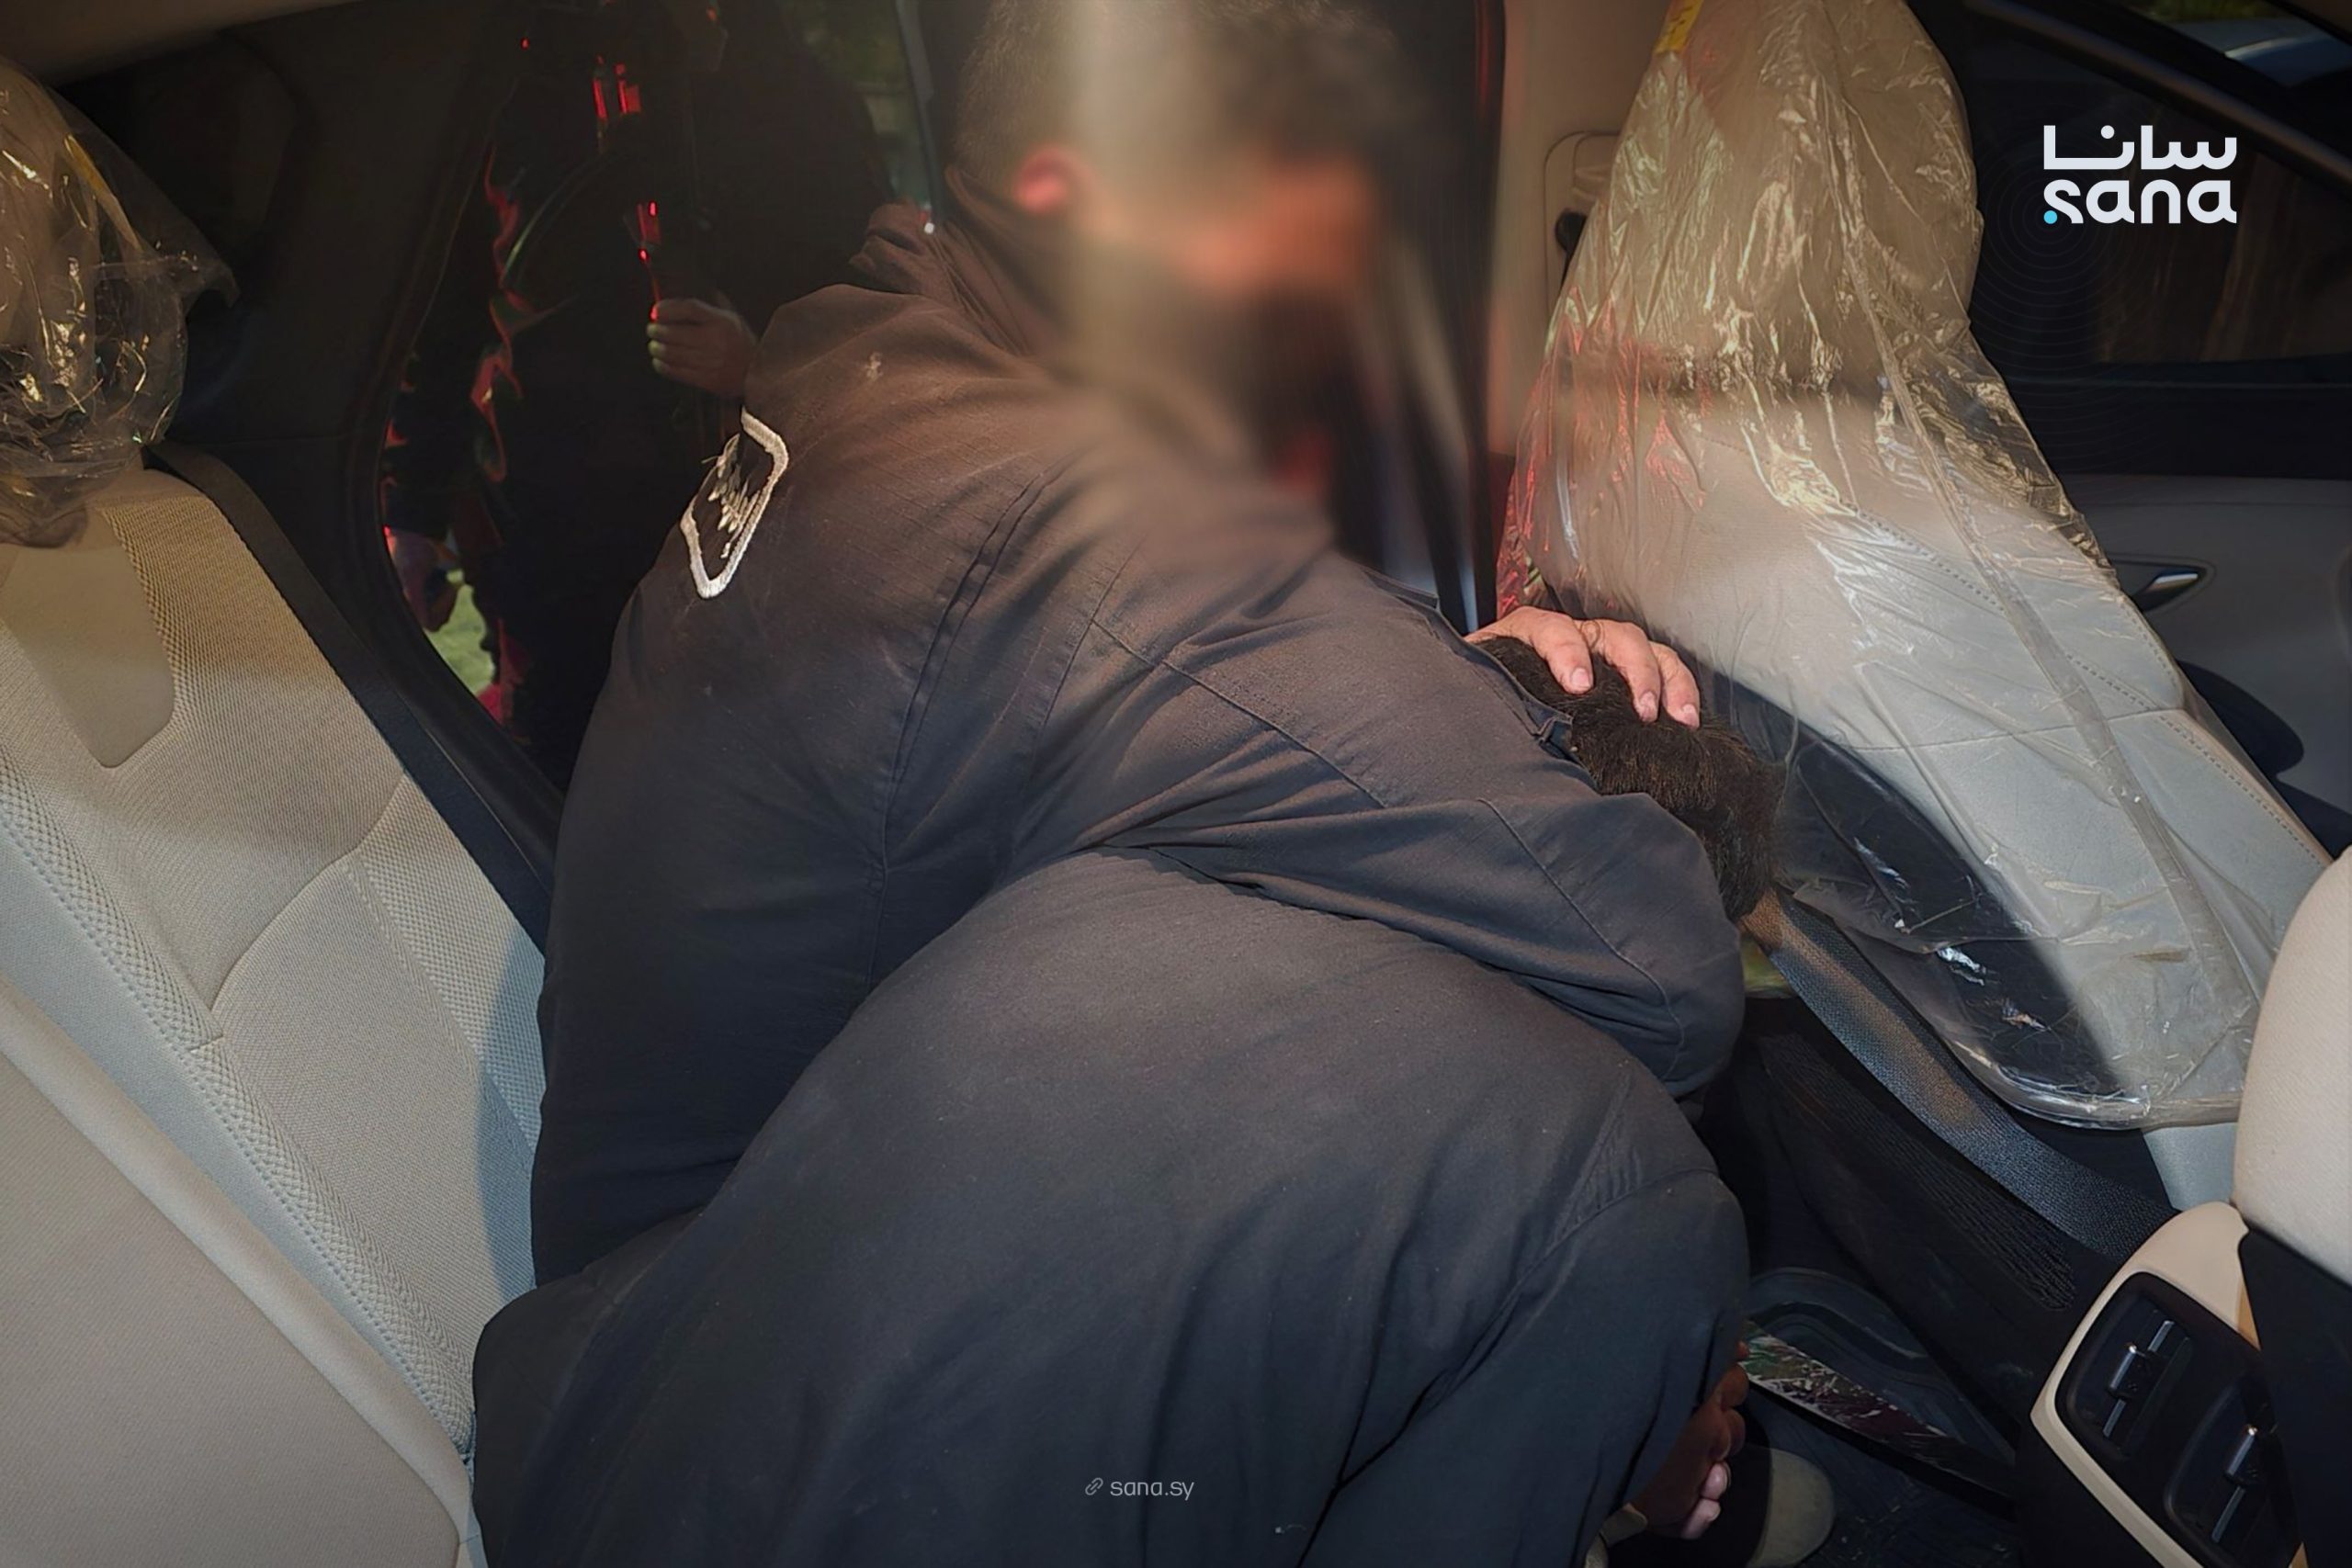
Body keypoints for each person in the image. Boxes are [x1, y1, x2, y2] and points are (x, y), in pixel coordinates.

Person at [487, 0, 1755, 1559]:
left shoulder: (869, 340)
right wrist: (1486, 709)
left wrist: (1448, 673)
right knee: (1599, 1177)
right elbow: (1653, 961)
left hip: (716, 1272)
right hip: (744, 1359)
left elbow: (1155, 665)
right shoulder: (1062, 530)